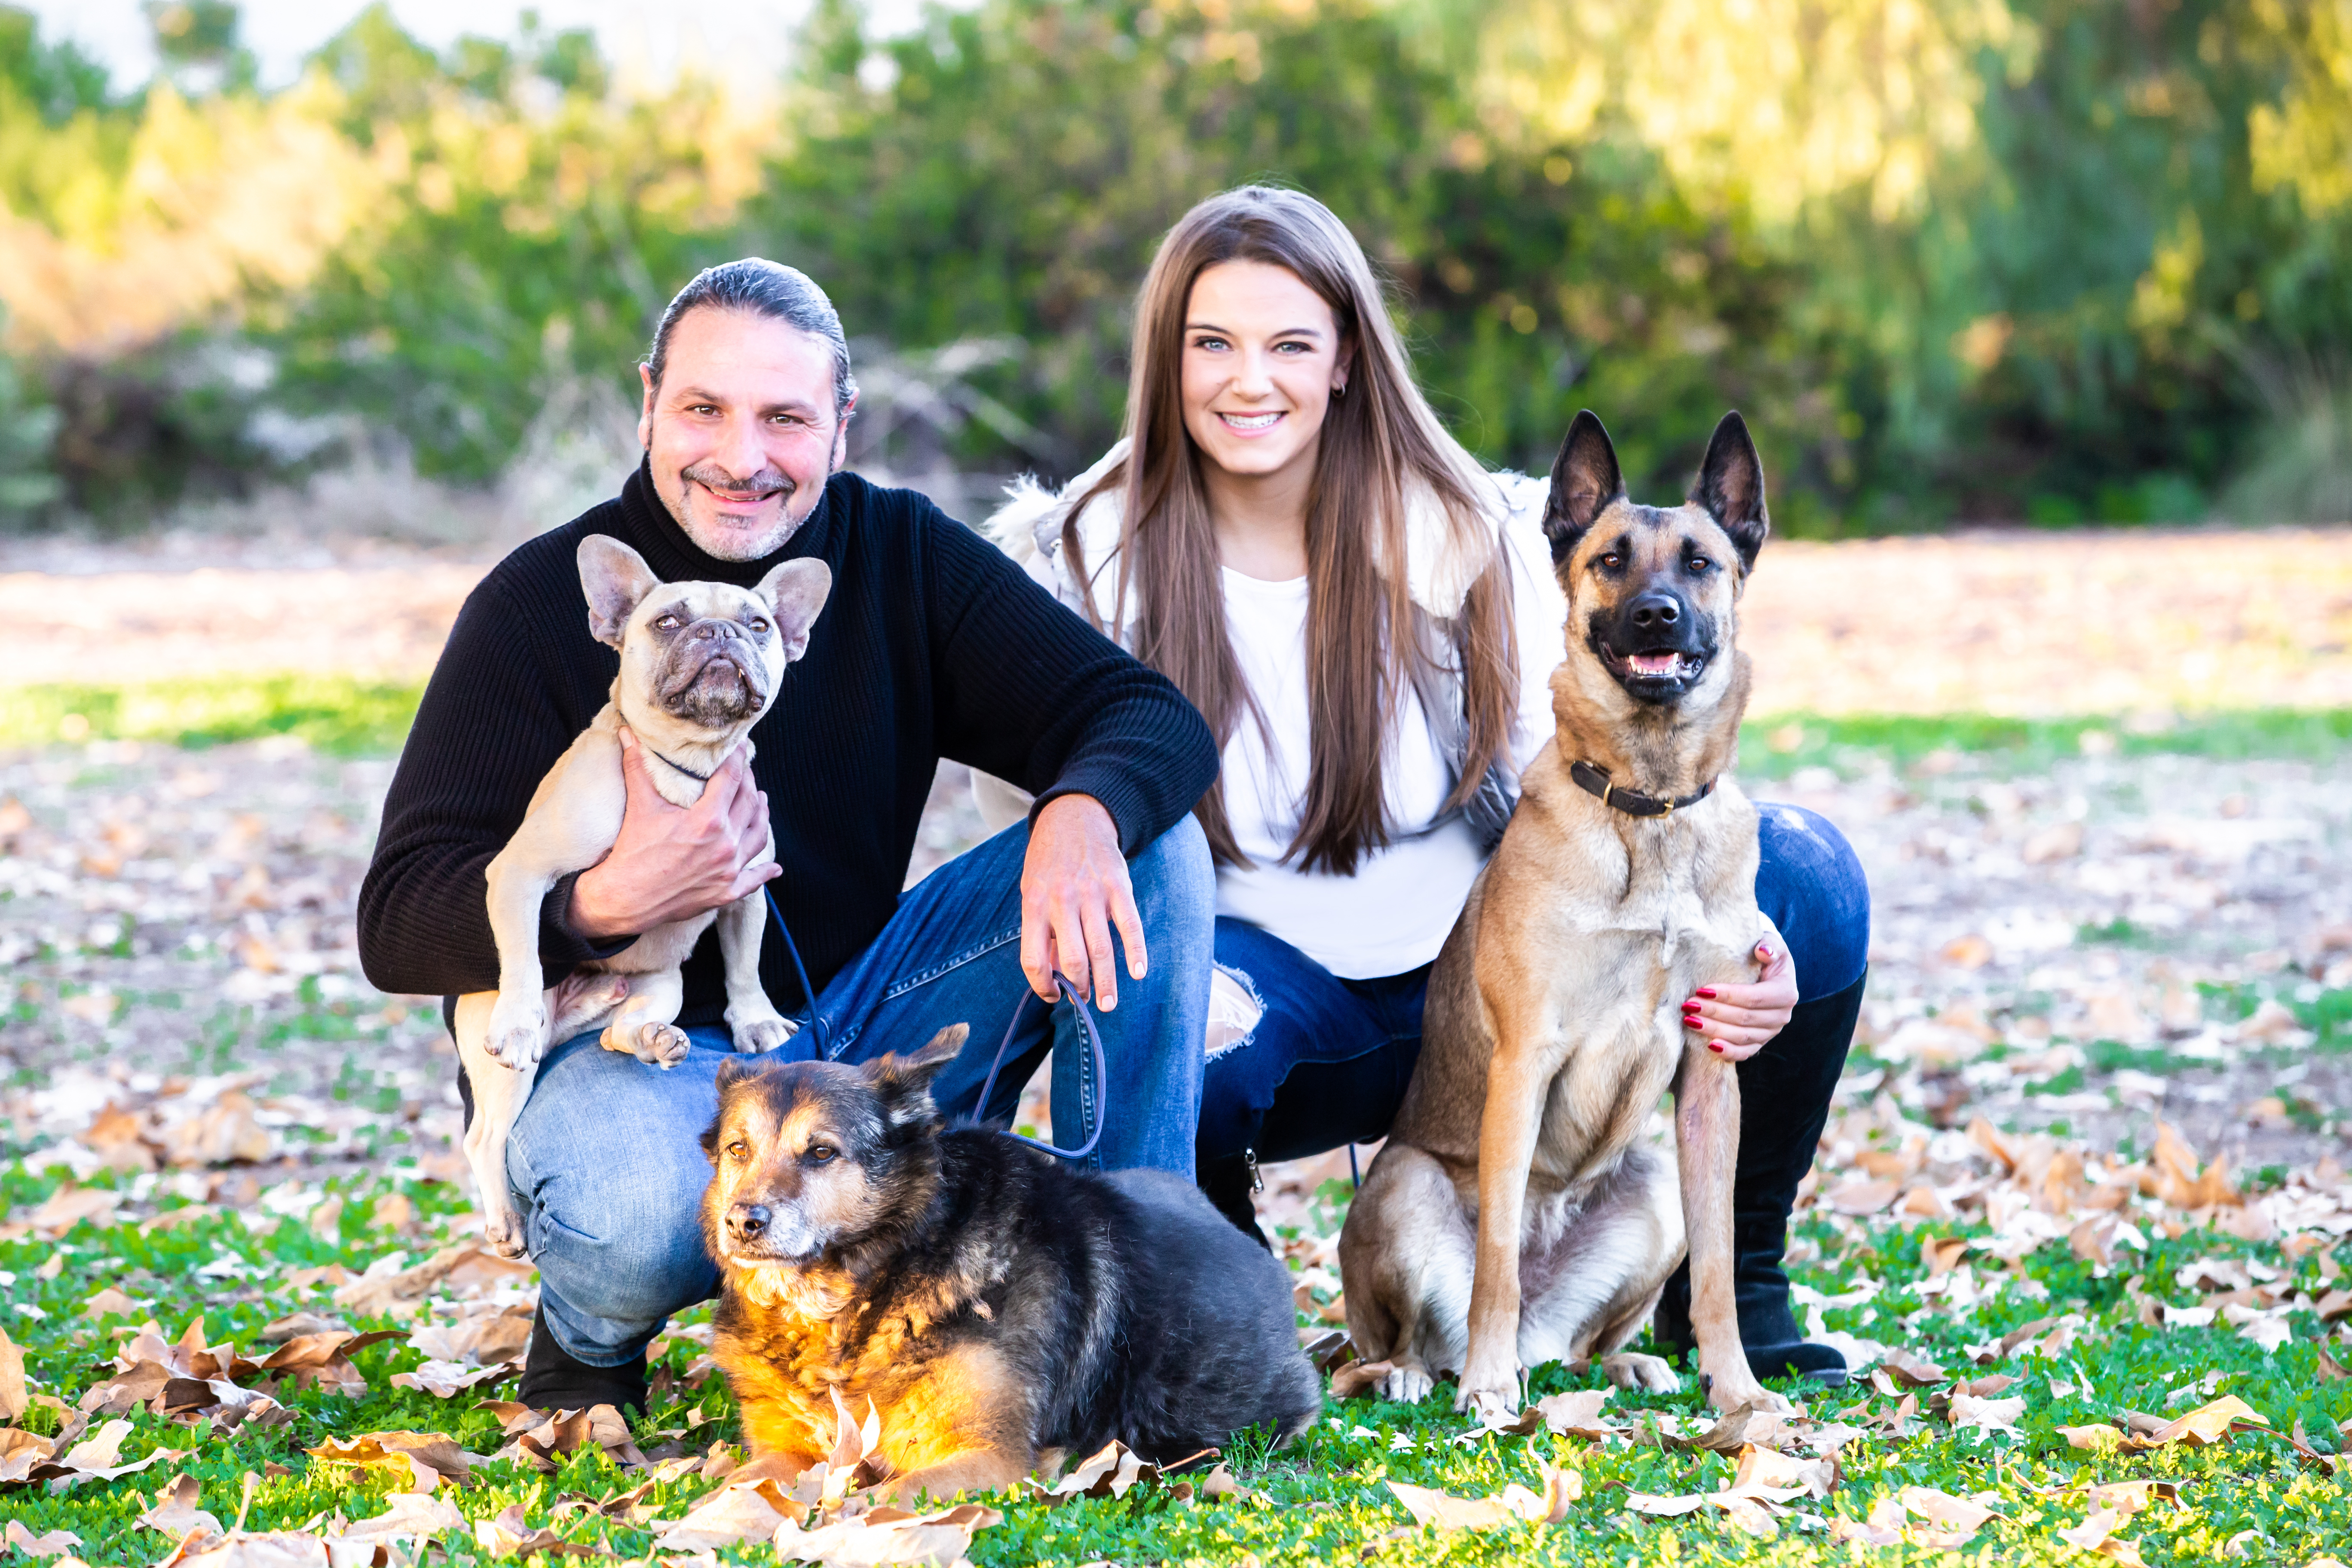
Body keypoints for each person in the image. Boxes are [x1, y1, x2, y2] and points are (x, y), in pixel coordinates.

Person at [982, 186, 1871, 1386]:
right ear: (1166, 358)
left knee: (1807, 878)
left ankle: (1737, 1282)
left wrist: (1727, 931)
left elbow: (1589, 767)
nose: (1251, 381)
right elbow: (1051, 858)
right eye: (1213, 344)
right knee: (1180, 1023)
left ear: (1347, 358)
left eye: (1291, 344)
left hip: (1490, 970)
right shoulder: (1081, 562)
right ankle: (1220, 1279)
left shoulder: (1466, 530)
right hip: (1270, 1009)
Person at [358, 259, 1220, 1418]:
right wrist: (604, 904)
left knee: (1148, 846)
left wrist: (1080, 811)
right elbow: (395, 922)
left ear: (841, 426)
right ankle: (590, 1335)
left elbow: (1146, 715)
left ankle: (1140, 1305)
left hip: (849, 1032)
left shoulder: (900, 558)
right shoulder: (541, 601)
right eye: (704, 409)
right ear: (649, 404)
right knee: (635, 1206)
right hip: (633, 1047)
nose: (741, 456)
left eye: (785, 418)